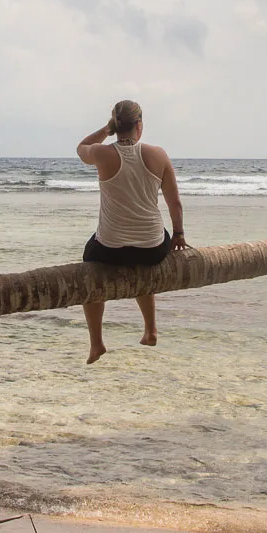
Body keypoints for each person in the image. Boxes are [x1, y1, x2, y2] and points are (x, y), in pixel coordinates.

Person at [76, 100, 189, 364]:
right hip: (152, 249)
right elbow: (175, 203)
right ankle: (151, 330)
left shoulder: (102, 154)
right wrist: (179, 234)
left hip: (110, 248)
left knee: (89, 269)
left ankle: (96, 344)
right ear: (139, 125)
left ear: (116, 125)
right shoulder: (158, 154)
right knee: (142, 261)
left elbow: (81, 148)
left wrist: (106, 130)